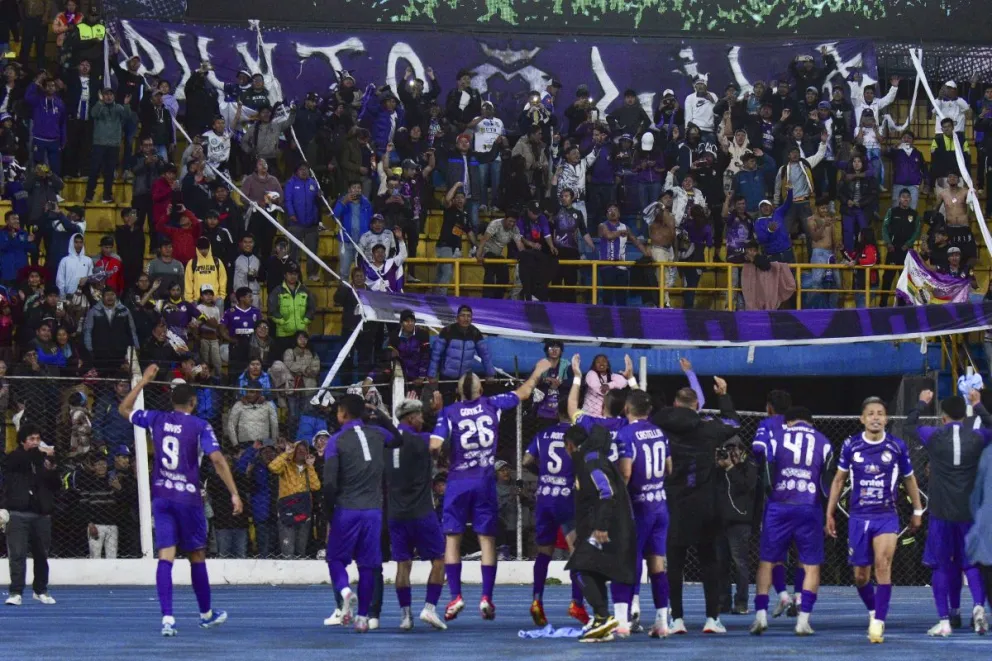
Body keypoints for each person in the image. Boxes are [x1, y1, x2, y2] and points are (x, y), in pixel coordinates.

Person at [118, 364, 243, 636]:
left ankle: (167, 619)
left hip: (162, 496)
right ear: (193, 402)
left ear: (173, 402)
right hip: (187, 498)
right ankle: (206, 614)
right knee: (197, 554)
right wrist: (234, 492)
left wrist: (144, 383)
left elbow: (124, 410)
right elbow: (218, 459)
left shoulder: (157, 419)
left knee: (166, 556)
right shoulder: (200, 425)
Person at [429, 357, 551, 622]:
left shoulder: (449, 412)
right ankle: (486, 597)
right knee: (487, 540)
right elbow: (524, 393)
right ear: (481, 390)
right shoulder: (492, 404)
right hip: (485, 481)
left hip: (458, 482)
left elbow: (435, 445)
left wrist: (437, 414)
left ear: (459, 392)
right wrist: (538, 371)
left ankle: (456, 596)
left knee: (453, 539)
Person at [825, 396, 924, 644]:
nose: (876, 417)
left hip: (886, 516)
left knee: (883, 565)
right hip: (858, 517)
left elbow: (909, 479)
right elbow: (838, 480)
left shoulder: (897, 446)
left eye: (880, 413)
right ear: (862, 419)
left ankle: (879, 621)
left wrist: (918, 510)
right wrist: (829, 511)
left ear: (886, 418)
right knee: (860, 576)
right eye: (871, 413)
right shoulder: (851, 446)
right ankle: (873, 610)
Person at [653, 373, 739, 634]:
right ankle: (712, 619)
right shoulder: (708, 427)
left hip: (674, 502)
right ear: (697, 406)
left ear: (676, 405)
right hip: (705, 503)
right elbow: (733, 423)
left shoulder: (661, 424)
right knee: (709, 563)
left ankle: (676, 619)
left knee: (675, 564)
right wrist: (723, 395)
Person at [908, 389, 991, 636]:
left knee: (942, 566)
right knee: (973, 563)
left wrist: (922, 403)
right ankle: (978, 607)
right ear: (964, 417)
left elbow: (910, 425)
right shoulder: (977, 437)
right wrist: (978, 405)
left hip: (942, 511)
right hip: (969, 511)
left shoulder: (934, 435)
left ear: (943, 418)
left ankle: (945, 619)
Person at [749, 406, 833, 636]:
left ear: (789, 422)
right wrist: (827, 511)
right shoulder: (824, 442)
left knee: (767, 561)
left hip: (780, 504)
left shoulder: (777, 436)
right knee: (811, 564)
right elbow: (827, 482)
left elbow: (763, 458)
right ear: (811, 422)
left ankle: (760, 616)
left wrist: (770, 489)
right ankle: (803, 619)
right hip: (809, 505)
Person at [321, 394, 391, 632]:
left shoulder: (336, 441)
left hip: (347, 509)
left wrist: (329, 513)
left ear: (342, 413)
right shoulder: (378, 434)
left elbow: (329, 483)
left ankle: (345, 591)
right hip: (373, 511)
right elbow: (398, 439)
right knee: (368, 565)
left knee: (335, 559)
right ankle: (363, 618)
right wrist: (379, 414)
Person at [564, 424, 637, 643]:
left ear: (570, 446)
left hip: (607, 529)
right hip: (609, 526)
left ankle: (603, 617)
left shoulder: (591, 461)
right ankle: (602, 623)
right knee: (593, 571)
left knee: (578, 570)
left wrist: (602, 526)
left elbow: (606, 493)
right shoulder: (594, 458)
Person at [385, 396, 449, 631]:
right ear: (411, 418)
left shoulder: (387, 441)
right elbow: (438, 443)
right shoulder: (420, 439)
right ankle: (429, 608)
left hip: (395, 513)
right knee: (440, 559)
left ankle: (405, 616)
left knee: (403, 565)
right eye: (420, 416)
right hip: (421, 511)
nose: (423, 419)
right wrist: (440, 413)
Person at [523, 398, 588, 627]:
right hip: (567, 499)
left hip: (544, 498)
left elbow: (526, 460)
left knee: (543, 553)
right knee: (576, 552)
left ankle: (537, 601)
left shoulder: (543, 434)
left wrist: (541, 471)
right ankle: (577, 603)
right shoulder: (577, 435)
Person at [614, 390, 672, 638]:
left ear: (627, 408)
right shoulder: (659, 432)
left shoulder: (625, 433)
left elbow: (626, 472)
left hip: (638, 506)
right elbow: (669, 468)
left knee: (627, 560)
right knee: (657, 563)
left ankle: (622, 620)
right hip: (660, 504)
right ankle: (662, 621)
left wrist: (615, 498)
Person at [3, 424, 60, 606]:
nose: (36, 443)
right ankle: (16, 592)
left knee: (41, 555)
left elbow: (56, 485)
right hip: (19, 512)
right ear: (22, 441)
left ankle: (40, 590)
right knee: (17, 554)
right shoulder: (14, 457)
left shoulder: (42, 462)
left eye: (37, 439)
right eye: (31, 439)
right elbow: (19, 460)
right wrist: (43, 453)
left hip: (41, 514)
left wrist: (52, 469)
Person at [267, 440, 321, 559]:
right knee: (288, 550)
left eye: (304, 450)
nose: (301, 452)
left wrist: (311, 466)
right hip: (287, 511)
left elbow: (316, 486)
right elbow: (272, 467)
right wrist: (286, 453)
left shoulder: (308, 468)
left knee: (300, 550)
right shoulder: (285, 465)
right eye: (298, 449)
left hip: (303, 512)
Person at [427, 305, 495, 398]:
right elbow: (436, 354)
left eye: (469, 316)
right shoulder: (447, 331)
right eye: (463, 315)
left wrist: (490, 374)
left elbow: (485, 355)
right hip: (447, 378)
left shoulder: (475, 333)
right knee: (447, 407)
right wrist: (432, 374)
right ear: (457, 318)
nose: (466, 318)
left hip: (466, 379)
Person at [880, 189, 921, 306]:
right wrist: (888, 243)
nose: (906, 199)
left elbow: (917, 232)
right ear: (899, 198)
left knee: (904, 278)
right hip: (892, 250)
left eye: (908, 197)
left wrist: (908, 244)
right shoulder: (892, 211)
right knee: (887, 278)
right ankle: (882, 304)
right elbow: (884, 228)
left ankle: (903, 305)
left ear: (910, 199)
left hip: (906, 251)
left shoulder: (914, 214)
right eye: (903, 197)